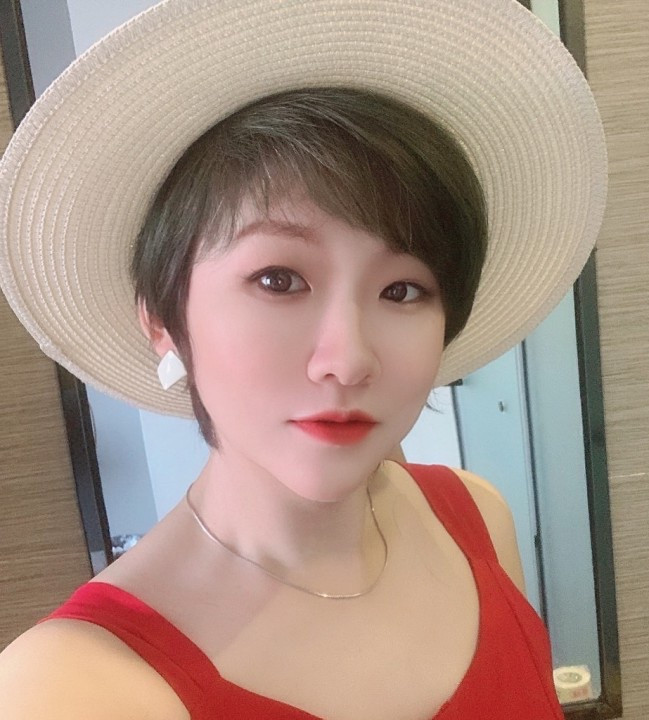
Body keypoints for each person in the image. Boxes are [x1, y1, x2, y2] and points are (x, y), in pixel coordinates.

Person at [0, 1, 606, 718]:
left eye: (403, 289)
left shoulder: (478, 517)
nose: (347, 361)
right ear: (163, 321)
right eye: (279, 280)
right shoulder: (69, 688)